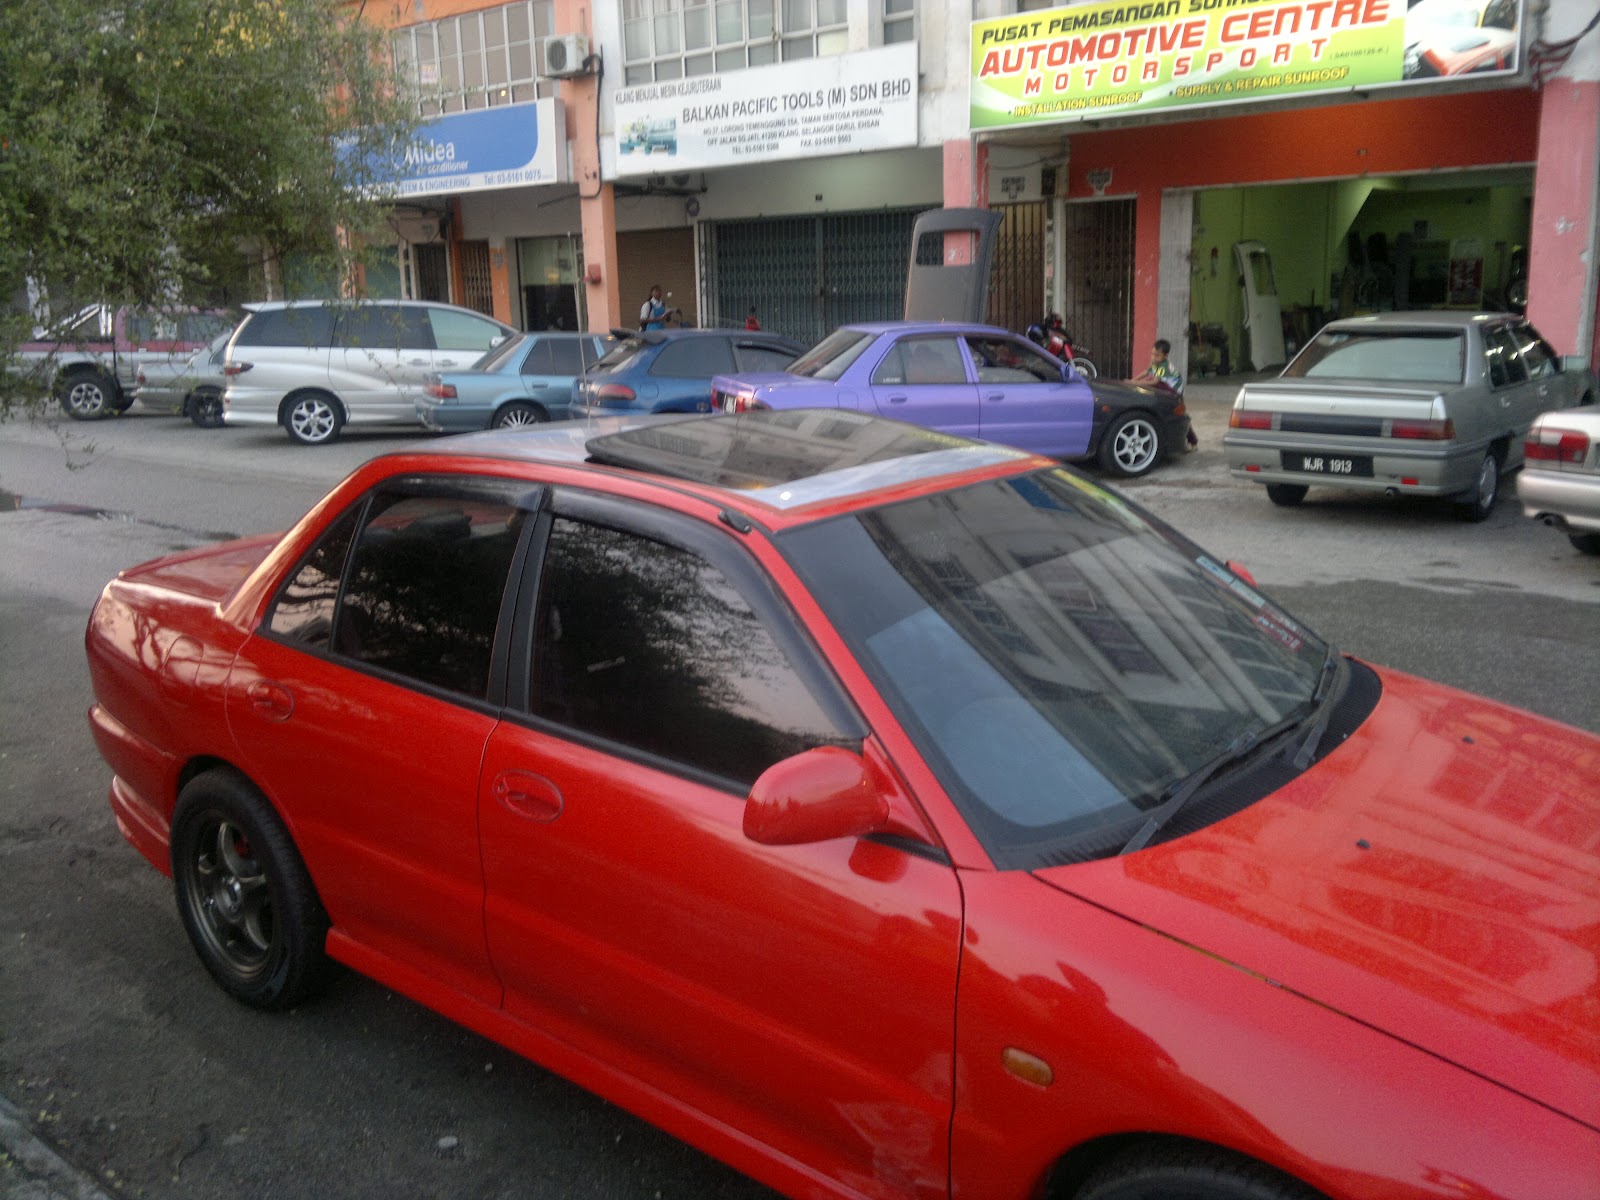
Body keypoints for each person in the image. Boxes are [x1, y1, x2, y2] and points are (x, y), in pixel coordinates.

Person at [1139, 338, 1201, 450]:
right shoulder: (1155, 363)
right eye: (1152, 354)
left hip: (1175, 392)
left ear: (1165, 356)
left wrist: (1136, 383)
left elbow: (1154, 382)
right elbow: (1146, 372)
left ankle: (1193, 442)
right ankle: (1192, 442)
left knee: (1180, 416)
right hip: (1167, 390)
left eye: (1157, 355)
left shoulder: (1164, 366)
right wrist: (1132, 380)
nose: (1153, 357)